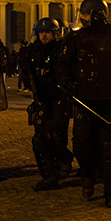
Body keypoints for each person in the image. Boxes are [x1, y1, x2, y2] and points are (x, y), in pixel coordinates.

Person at [56, 0, 111, 208]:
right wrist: (69, 86)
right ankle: (88, 176)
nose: (82, 18)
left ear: (97, 14)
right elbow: (62, 66)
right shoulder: (75, 39)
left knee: (109, 147)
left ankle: (110, 189)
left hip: (109, 99)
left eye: (85, 14)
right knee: (81, 144)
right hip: (83, 99)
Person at [24, 17, 73, 191]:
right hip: (41, 100)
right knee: (39, 138)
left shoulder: (62, 50)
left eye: (48, 32)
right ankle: (49, 175)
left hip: (59, 99)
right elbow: (27, 73)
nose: (44, 35)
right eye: (41, 32)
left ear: (55, 33)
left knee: (56, 136)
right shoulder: (31, 51)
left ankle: (63, 161)